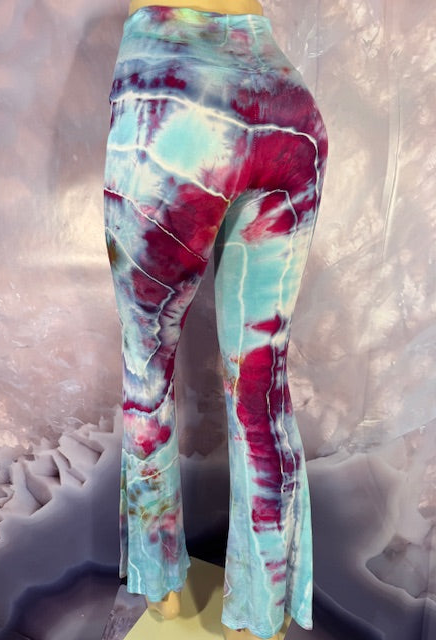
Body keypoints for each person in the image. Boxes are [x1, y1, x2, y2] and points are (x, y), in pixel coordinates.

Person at [103, 1, 328, 638]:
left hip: (171, 98)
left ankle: (161, 588)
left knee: (147, 369)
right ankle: (262, 615)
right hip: (285, 104)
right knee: (261, 385)